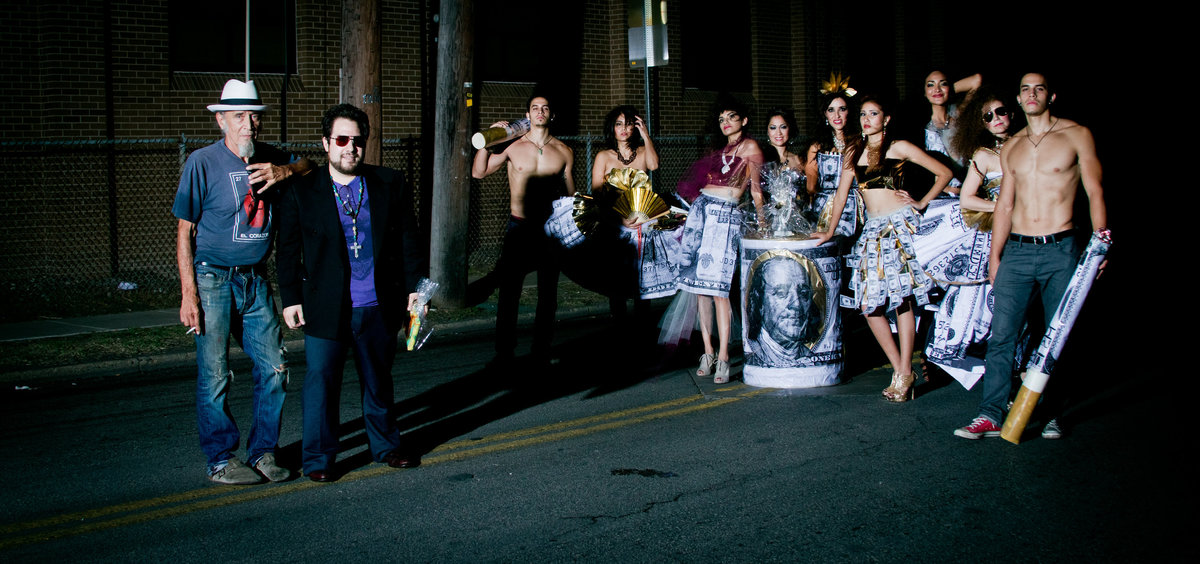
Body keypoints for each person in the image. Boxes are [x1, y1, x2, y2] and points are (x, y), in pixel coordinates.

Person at [172, 79, 313, 485]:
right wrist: (189, 295)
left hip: (255, 282)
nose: (249, 124)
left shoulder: (270, 156)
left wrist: (285, 169)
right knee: (215, 373)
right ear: (221, 121)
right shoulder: (202, 162)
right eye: (239, 116)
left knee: (274, 367)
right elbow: (184, 232)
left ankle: (263, 453)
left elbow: (309, 166)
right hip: (213, 278)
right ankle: (220, 459)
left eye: (254, 116)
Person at [276, 104, 426, 481]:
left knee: (378, 381)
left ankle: (386, 447)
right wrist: (291, 298)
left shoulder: (390, 183)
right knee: (321, 385)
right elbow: (288, 249)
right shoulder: (302, 190)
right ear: (326, 143)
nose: (351, 148)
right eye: (342, 140)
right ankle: (319, 459)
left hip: (377, 304)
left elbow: (409, 239)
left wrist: (415, 290)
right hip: (325, 306)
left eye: (358, 141)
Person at [954, 73, 1108, 439]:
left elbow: (1095, 191)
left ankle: (1054, 412)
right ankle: (990, 414)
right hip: (1019, 251)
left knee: (1058, 337)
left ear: (1050, 95)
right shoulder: (1012, 147)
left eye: (1038, 88)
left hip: (1062, 248)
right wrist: (996, 257)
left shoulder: (1076, 135)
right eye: (1025, 89)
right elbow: (1004, 206)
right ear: (1019, 100)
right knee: (1002, 336)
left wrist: (1101, 247)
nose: (1031, 94)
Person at [818, 96, 952, 401]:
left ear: (886, 119)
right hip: (873, 233)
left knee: (902, 301)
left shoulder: (900, 147)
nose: (866, 119)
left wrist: (921, 202)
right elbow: (841, 196)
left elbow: (943, 174)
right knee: (869, 306)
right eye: (863, 114)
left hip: (900, 227)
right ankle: (901, 368)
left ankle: (904, 371)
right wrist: (829, 230)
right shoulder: (853, 151)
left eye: (873, 113)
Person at [472, 95, 575, 368]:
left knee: (547, 293)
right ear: (527, 115)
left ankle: (541, 350)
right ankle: (504, 352)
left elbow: (571, 195)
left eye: (545, 107)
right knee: (509, 292)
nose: (540, 112)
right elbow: (478, 172)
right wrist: (488, 139)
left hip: (549, 230)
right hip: (519, 227)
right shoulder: (513, 146)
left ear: (550, 115)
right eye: (534, 108)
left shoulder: (564, 151)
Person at [923, 86, 1015, 388]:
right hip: (997, 235)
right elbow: (967, 199)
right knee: (984, 306)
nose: (996, 118)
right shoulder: (984, 155)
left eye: (1001, 111)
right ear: (982, 124)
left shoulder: (1029, 146)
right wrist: (1003, 207)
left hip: (1032, 233)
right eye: (988, 116)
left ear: (1012, 113)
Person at [674, 96, 764, 383]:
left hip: (726, 219)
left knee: (719, 290)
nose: (726, 123)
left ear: (744, 120)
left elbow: (756, 191)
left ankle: (724, 355)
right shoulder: (719, 149)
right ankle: (708, 351)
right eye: (722, 118)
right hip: (703, 213)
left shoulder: (750, 148)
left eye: (732, 117)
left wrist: (762, 222)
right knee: (701, 289)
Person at [744, 256, 822, 367]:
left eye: (803, 293)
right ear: (760, 302)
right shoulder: (753, 354)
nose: (796, 304)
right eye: (781, 293)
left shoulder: (812, 357)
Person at [805, 82, 860, 240]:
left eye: (842, 109)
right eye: (831, 110)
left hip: (855, 208)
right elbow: (811, 186)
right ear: (825, 115)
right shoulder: (817, 147)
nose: (837, 116)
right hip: (825, 209)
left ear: (849, 112)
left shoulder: (859, 143)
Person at [922, 70, 982, 195]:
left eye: (943, 84)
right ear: (924, 92)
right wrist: (939, 91)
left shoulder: (958, 114)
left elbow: (976, 79)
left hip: (972, 187)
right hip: (939, 194)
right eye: (930, 85)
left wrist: (944, 91)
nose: (937, 89)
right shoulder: (920, 127)